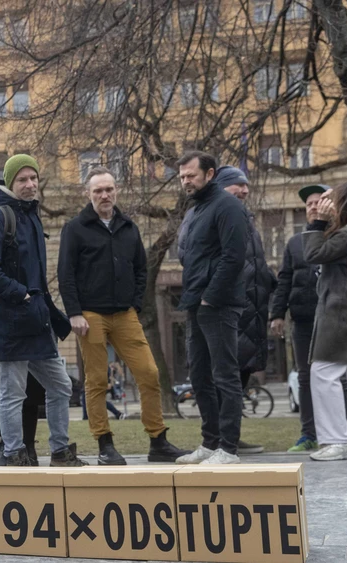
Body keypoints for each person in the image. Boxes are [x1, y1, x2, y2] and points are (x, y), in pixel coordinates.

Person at [58, 166, 189, 465]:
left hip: (125, 314)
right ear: (88, 194)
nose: (104, 195)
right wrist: (74, 313)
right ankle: (105, 444)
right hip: (90, 315)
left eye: (109, 189)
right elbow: (65, 274)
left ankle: (158, 442)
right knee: (97, 380)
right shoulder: (75, 228)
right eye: (98, 191)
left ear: (116, 191)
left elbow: (141, 269)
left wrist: (135, 304)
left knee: (149, 373)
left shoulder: (129, 227)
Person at [0, 154, 85, 467]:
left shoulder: (31, 216)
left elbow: (36, 277)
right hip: (9, 320)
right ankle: (13, 453)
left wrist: (45, 310)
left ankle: (60, 451)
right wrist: (20, 294)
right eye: (22, 179)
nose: (30, 184)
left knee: (61, 386)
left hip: (35, 320)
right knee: (12, 392)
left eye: (33, 178)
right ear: (10, 183)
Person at [174, 151, 248, 465]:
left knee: (225, 376)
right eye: (182, 177)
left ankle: (228, 449)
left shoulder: (227, 206)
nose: (186, 181)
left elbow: (234, 256)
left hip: (217, 304)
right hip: (195, 302)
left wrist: (210, 297)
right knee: (200, 376)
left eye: (191, 175)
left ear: (210, 174)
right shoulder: (196, 210)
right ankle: (210, 442)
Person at [302, 182, 347, 462]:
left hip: (343, 310)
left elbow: (314, 255)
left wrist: (317, 223)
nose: (322, 205)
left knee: (324, 371)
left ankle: (338, 440)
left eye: (329, 200)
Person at [270, 184, 327, 453]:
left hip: (334, 318)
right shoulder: (295, 242)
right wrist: (278, 314)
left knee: (341, 377)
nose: (313, 207)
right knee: (305, 377)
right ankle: (308, 433)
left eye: (318, 202)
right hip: (303, 319)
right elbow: (284, 280)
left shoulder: (341, 236)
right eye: (309, 204)